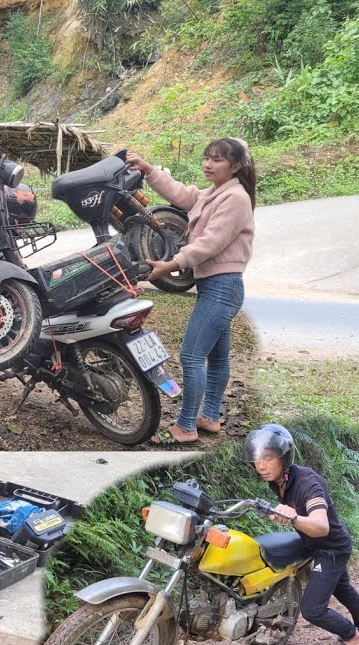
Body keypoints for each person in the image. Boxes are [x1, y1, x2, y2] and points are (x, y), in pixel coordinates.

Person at [125, 139, 256, 446]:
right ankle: (209, 417)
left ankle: (186, 426)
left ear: (236, 166)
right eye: (207, 158)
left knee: (192, 355)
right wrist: (148, 170)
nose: (208, 164)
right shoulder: (215, 193)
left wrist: (171, 264)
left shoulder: (235, 198)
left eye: (217, 160)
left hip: (222, 287)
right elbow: (183, 194)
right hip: (219, 285)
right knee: (217, 357)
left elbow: (210, 243)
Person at [242, 424, 359, 645]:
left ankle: (355, 638)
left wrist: (292, 517)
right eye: (256, 459)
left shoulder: (308, 483)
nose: (260, 466)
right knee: (343, 588)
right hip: (312, 543)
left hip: (332, 547)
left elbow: (321, 525)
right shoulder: (277, 480)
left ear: (283, 458)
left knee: (313, 609)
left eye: (268, 458)